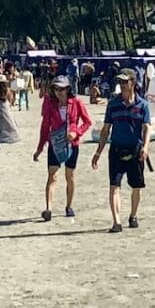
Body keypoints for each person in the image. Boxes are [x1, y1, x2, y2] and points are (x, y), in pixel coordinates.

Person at [91, 71, 153, 232]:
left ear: (133, 82)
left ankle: (133, 215)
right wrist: (98, 152)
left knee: (136, 186)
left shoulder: (143, 105)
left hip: (136, 150)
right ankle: (116, 222)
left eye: (125, 81)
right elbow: (106, 130)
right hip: (116, 149)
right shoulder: (113, 104)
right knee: (114, 186)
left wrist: (146, 147)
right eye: (120, 81)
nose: (122, 85)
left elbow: (147, 128)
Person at [33, 76, 89, 218]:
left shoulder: (76, 102)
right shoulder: (50, 104)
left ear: (68, 89)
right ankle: (48, 209)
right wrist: (40, 148)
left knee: (69, 176)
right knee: (52, 176)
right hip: (55, 144)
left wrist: (76, 132)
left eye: (62, 88)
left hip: (72, 144)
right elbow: (45, 126)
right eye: (56, 88)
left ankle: (69, 206)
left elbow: (87, 122)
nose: (59, 92)